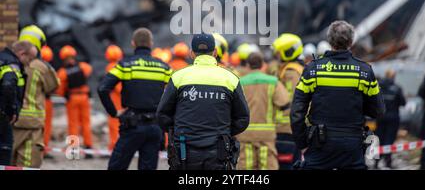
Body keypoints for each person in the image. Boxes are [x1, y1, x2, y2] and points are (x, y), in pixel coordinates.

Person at [291, 20, 385, 170]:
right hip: (352, 146)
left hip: (319, 145)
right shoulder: (364, 71)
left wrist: (302, 144)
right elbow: (378, 110)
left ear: (329, 40)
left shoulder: (313, 70)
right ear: (351, 41)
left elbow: (296, 112)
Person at [157, 33, 250, 170]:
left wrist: (178, 130)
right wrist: (224, 132)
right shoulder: (230, 79)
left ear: (192, 53)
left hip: (184, 152)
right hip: (219, 152)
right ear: (215, 52)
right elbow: (243, 118)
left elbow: (162, 114)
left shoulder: (178, 77)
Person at [98, 28, 172, 170]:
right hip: (155, 128)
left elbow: (102, 88)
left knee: (116, 167)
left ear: (133, 43)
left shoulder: (125, 65)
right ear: (151, 43)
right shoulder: (163, 67)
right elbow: (177, 91)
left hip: (132, 125)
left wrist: (114, 112)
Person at [12, 26, 59, 168]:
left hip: (11, 119)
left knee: (8, 160)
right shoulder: (40, 67)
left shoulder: (8, 63)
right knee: (29, 161)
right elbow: (53, 86)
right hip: (32, 122)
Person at [237, 52, 290, 170]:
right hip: (267, 134)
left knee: (245, 166)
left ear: (248, 65)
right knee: (268, 166)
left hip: (245, 134)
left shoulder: (239, 82)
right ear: (262, 65)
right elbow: (285, 103)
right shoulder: (273, 81)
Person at [0, 41, 37, 166]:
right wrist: (11, 110)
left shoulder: (2, 58)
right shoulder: (12, 65)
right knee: (5, 151)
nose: (29, 63)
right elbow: (8, 85)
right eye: (30, 59)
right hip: (3, 116)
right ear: (22, 54)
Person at [271, 33, 304, 169]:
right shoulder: (292, 69)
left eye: (279, 53)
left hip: (286, 128)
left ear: (288, 52)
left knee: (285, 165)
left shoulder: (291, 73)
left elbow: (291, 100)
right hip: (290, 128)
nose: (277, 56)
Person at [56, 45, 93, 154]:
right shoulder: (83, 67)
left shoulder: (62, 72)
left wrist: (63, 94)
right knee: (86, 123)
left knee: (73, 124)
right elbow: (89, 71)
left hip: (72, 98)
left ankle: (73, 149)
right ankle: (88, 147)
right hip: (84, 97)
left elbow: (59, 89)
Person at [374, 69, 406, 169]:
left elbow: (373, 100)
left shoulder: (378, 87)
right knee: (389, 140)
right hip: (393, 118)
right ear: (393, 77)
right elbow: (403, 103)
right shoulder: (397, 88)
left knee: (379, 140)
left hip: (380, 117)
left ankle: (376, 162)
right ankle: (388, 162)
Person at [104, 44, 124, 152]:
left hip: (115, 98)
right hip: (122, 98)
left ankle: (114, 146)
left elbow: (115, 86)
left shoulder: (110, 66)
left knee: (113, 123)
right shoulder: (122, 65)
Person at [40, 45, 56, 157]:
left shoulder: (34, 67)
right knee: (46, 126)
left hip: (37, 100)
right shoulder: (50, 69)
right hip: (47, 100)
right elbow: (55, 85)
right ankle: (44, 149)